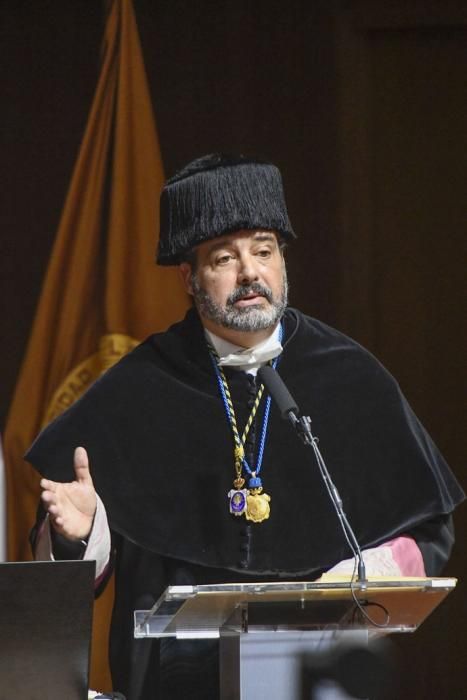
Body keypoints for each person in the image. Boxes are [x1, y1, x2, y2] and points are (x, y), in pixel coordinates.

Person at [28, 154, 464, 699]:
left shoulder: (349, 374)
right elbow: (70, 580)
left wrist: (364, 570)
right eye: (225, 258)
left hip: (317, 677)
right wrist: (83, 533)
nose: (251, 273)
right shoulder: (138, 387)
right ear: (189, 277)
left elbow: (428, 526)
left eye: (264, 251)